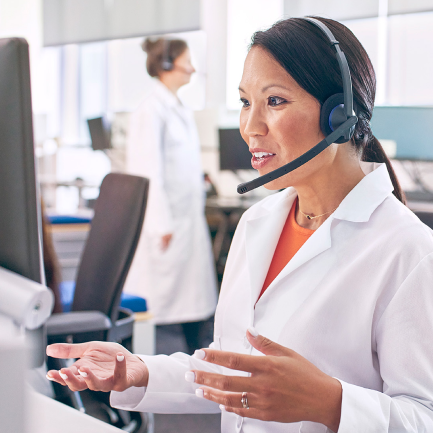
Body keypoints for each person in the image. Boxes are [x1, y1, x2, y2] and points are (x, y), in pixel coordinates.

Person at [46, 17, 433, 432]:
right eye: (246, 102)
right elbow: (235, 368)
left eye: (276, 101)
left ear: (340, 114)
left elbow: (422, 416)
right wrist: (139, 371)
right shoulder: (258, 223)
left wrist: (331, 404)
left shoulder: (409, 251)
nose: (250, 127)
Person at [122, 37, 217, 354]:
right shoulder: (151, 111)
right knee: (157, 299)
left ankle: (197, 354)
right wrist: (160, 223)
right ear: (166, 66)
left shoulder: (177, 108)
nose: (191, 68)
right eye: (187, 61)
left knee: (192, 298)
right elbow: (149, 170)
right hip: (166, 221)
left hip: (186, 217)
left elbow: (179, 163)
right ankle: (142, 361)